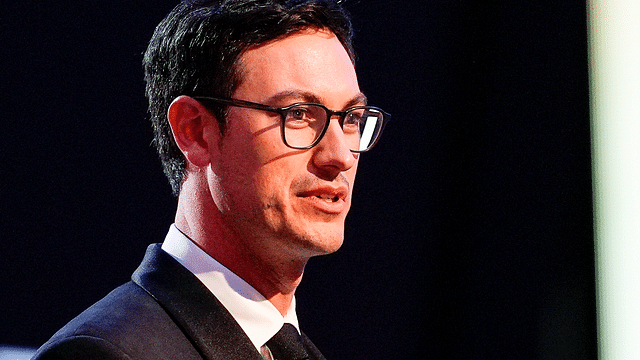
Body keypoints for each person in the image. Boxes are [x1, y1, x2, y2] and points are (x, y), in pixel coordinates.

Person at [32, 0, 388, 359]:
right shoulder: (106, 352)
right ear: (196, 131)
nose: (340, 156)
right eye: (297, 114)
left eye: (351, 118)